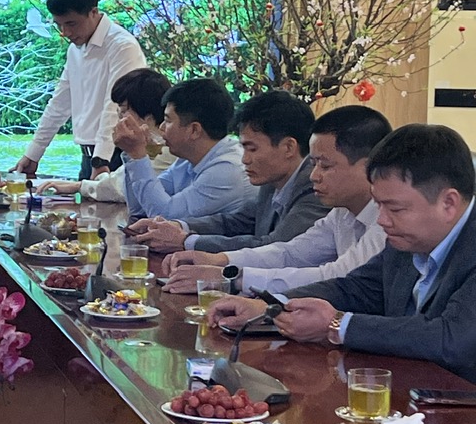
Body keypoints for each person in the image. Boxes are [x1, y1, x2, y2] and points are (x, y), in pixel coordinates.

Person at [209, 124, 476, 383]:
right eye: (379, 205)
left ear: (448, 203)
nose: (382, 220)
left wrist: (339, 324)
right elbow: (357, 288)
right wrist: (271, 307)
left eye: (395, 209)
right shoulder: (409, 238)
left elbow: (452, 339)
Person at [163, 105, 391, 295]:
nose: (314, 176)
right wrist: (221, 260)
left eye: (326, 166)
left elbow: (336, 276)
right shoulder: (341, 211)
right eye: (314, 164)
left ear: (369, 167)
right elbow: (290, 253)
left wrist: (232, 277)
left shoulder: (387, 221)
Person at [128, 90, 324, 253]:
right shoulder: (273, 179)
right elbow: (234, 222)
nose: (245, 159)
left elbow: (275, 248)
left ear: (288, 147)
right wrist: (179, 226)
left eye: (252, 149)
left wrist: (187, 241)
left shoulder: (315, 187)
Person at [12, 0, 147, 181]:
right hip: (89, 157)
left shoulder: (122, 46)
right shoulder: (75, 50)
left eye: (71, 23)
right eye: (59, 25)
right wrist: (33, 154)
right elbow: (59, 103)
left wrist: (101, 161)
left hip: (117, 155)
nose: (65, 33)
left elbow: (114, 107)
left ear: (93, 12)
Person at [112, 77, 255, 221]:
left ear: (194, 130)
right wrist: (132, 153)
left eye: (167, 121)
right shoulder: (187, 159)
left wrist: (138, 155)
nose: (161, 127)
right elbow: (139, 208)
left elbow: (164, 216)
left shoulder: (227, 169)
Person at [39, 67, 174, 203]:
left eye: (123, 112)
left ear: (148, 119)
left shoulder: (166, 151)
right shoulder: (150, 146)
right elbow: (118, 179)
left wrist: (79, 186)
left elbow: (122, 190)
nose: (120, 119)